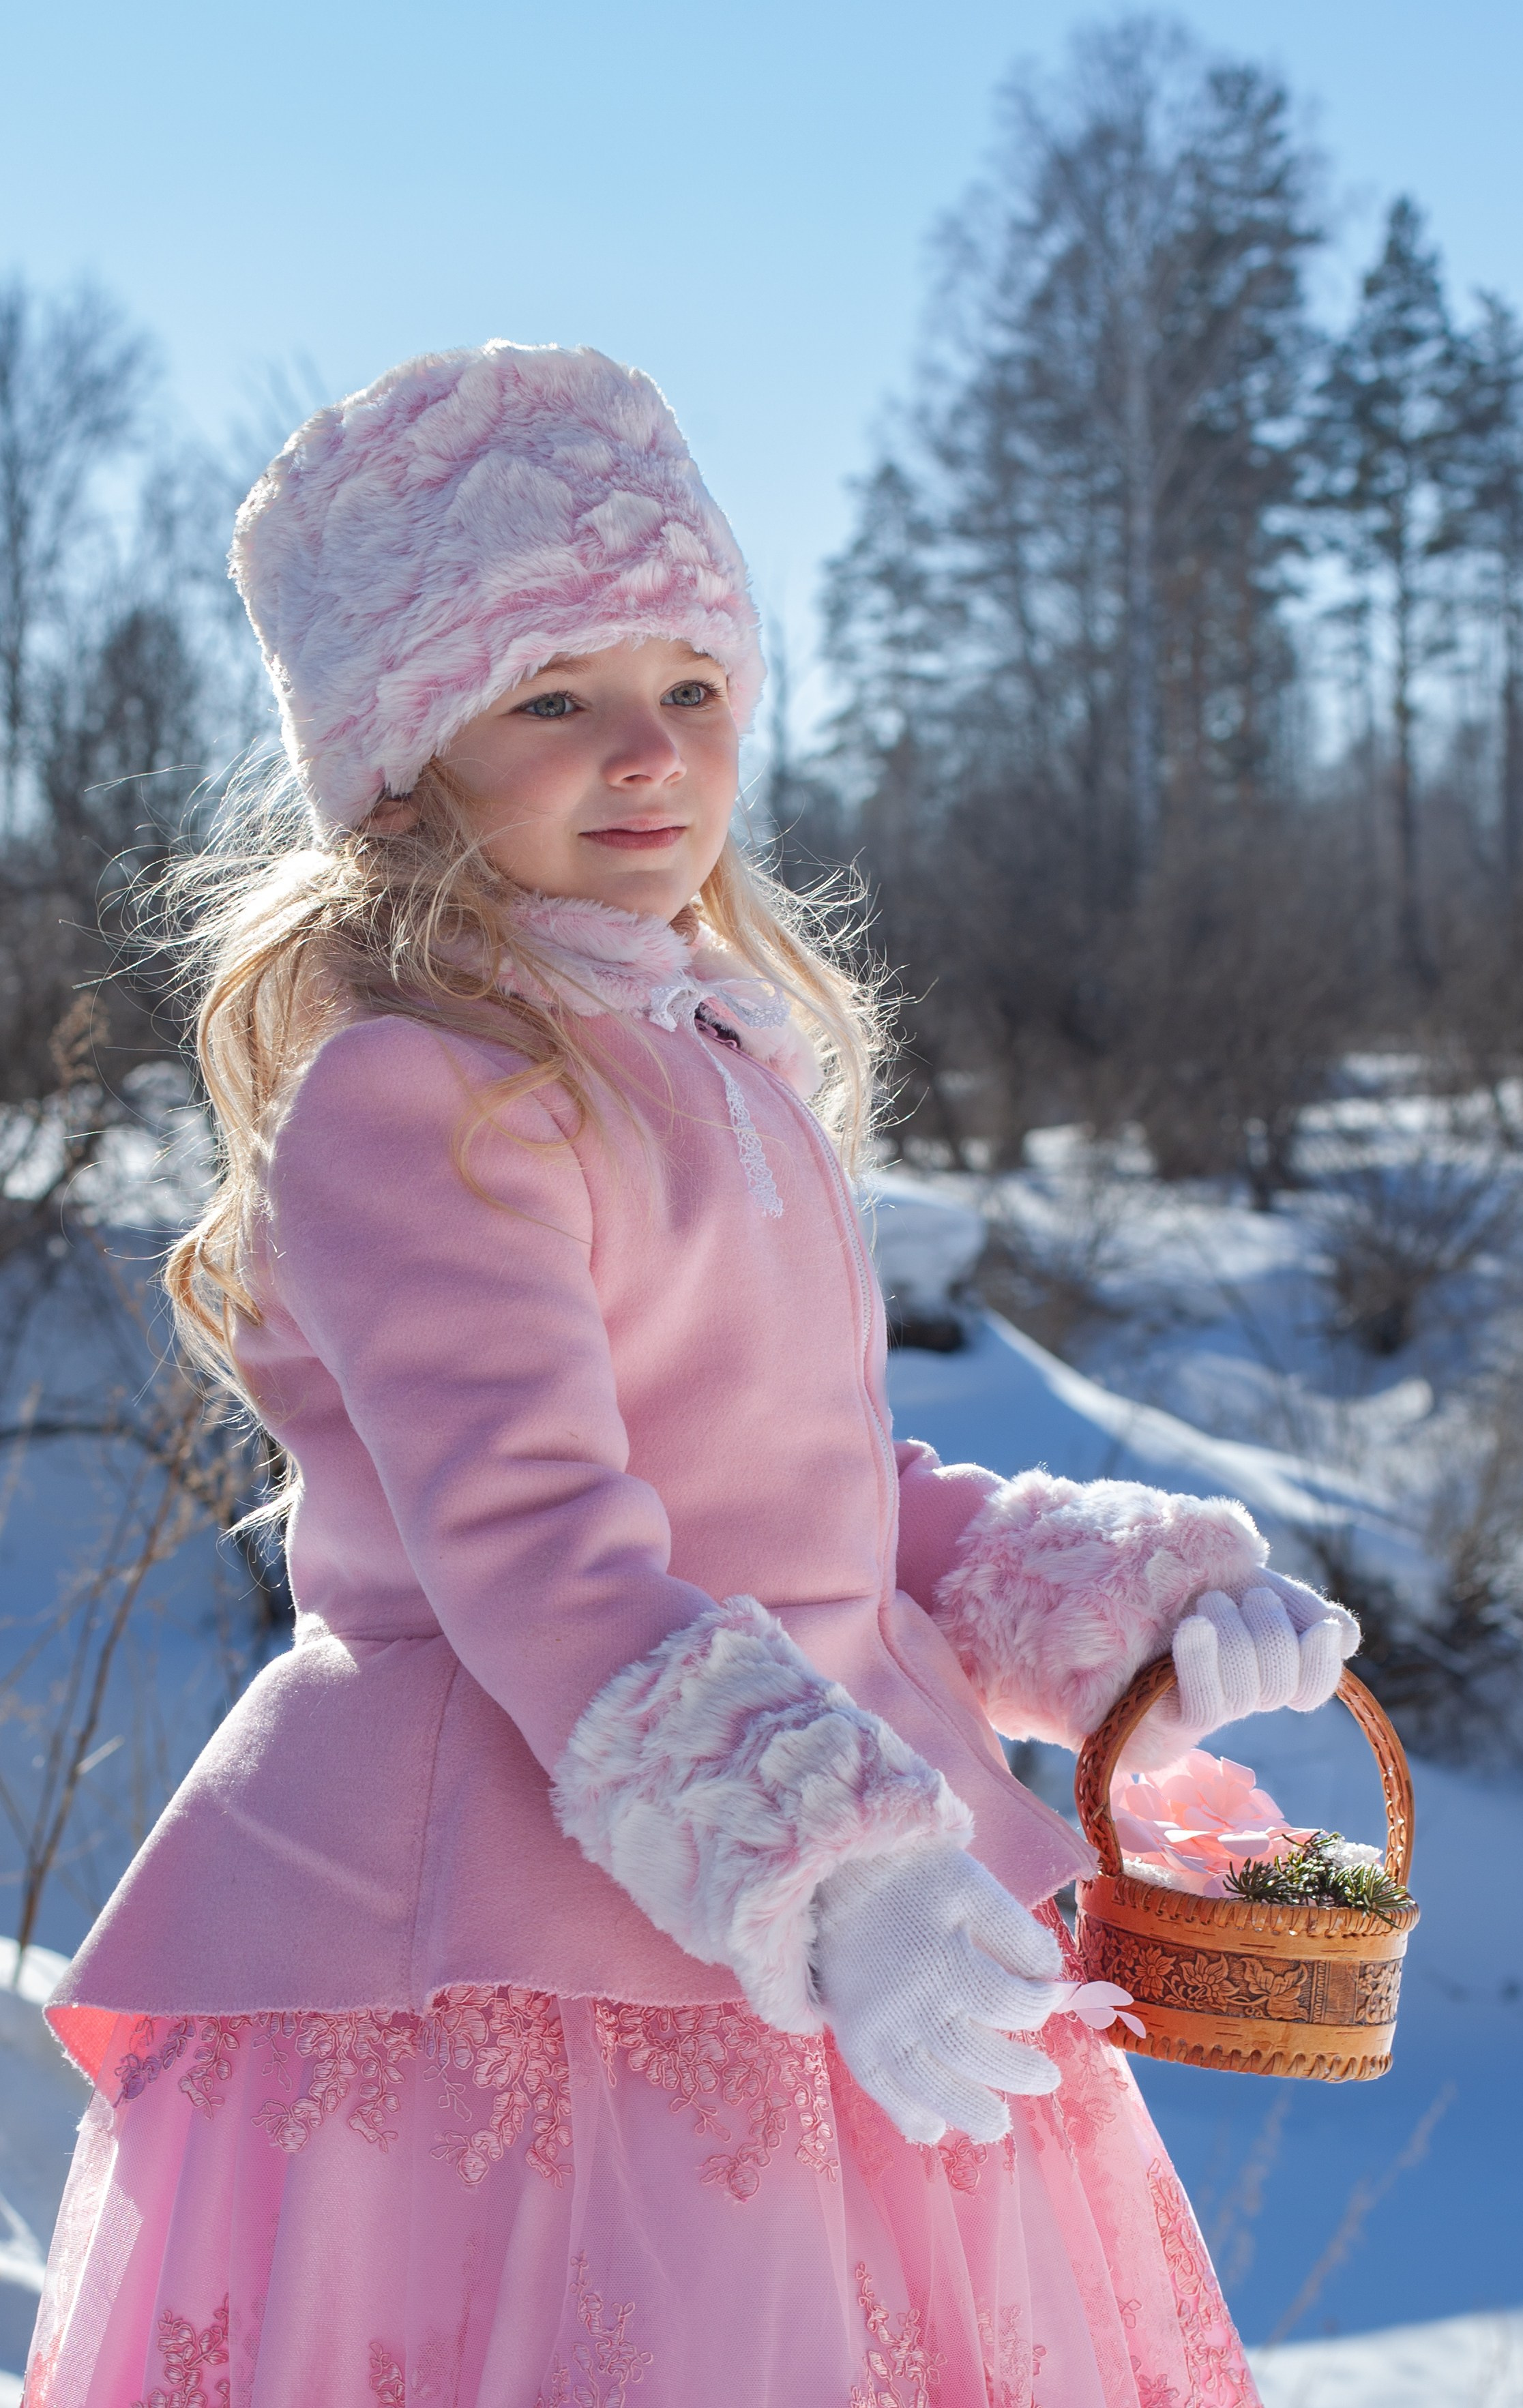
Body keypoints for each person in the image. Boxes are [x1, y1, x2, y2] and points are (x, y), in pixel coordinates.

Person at [25, 342, 1357, 2408]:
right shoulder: (420, 1092)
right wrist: (839, 1880)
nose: (646, 751)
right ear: (400, 754)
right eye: (554, 696)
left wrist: (1123, 1616)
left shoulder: (718, 1054)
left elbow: (817, 1492)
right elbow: (541, 1553)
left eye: (693, 689)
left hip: (832, 1905)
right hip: (530, 1955)